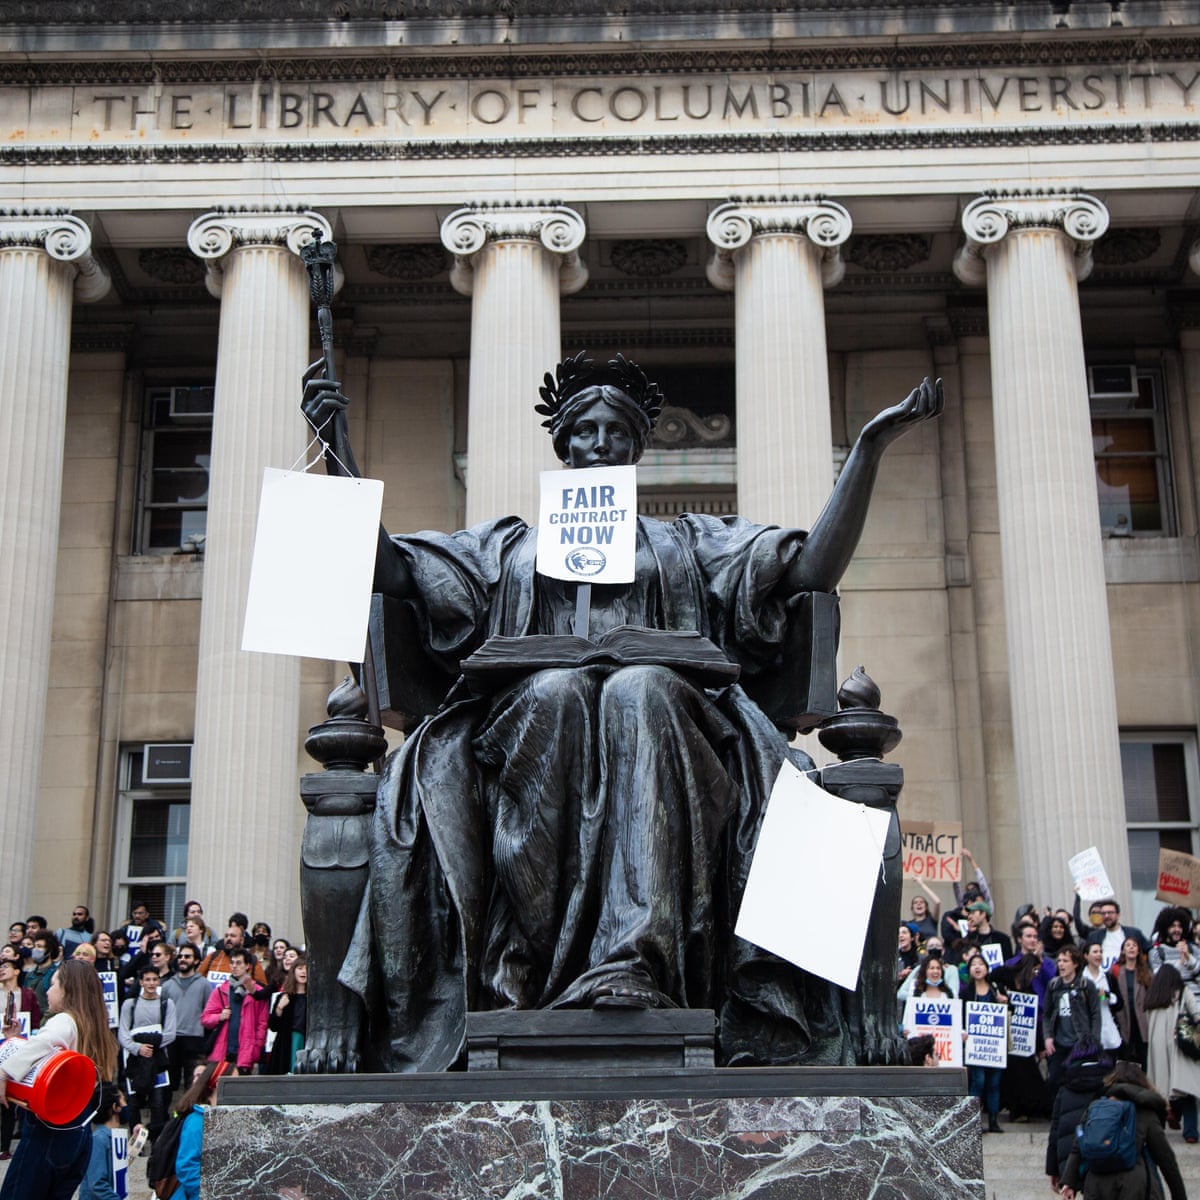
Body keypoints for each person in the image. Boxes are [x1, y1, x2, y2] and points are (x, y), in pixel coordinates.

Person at [302, 351, 942, 1071]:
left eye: (615, 431)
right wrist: (339, 455)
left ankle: (633, 959)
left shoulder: (690, 543)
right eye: (585, 430)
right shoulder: (510, 546)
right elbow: (394, 570)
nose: (600, 442)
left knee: (640, 687)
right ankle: (526, 966)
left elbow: (810, 569)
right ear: (563, 444)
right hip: (529, 719)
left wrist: (867, 452)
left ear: (637, 448)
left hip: (675, 724)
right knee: (558, 691)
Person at [0, 958, 119, 1200]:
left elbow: (44, 1043)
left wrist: (3, 1072)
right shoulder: (95, 1028)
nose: (48, 990)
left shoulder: (65, 1020)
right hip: (79, 1131)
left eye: (53, 985)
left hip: (49, 1130)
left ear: (68, 990)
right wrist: (17, 1039)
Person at [1060, 1060, 1187, 1200]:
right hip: (1133, 1182)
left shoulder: (1096, 1107)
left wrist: (1068, 1182)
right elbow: (1166, 1158)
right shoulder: (1145, 1111)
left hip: (1096, 1182)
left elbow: (1077, 1146)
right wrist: (1179, 1195)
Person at [1045, 1042, 1113, 1194]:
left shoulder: (1064, 1089)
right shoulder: (1110, 1086)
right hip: (1103, 1157)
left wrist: (1053, 1170)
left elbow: (1055, 1131)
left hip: (1069, 1161)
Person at [117, 965, 176, 1141]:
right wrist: (137, 1049)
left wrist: (151, 1046)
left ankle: (156, 1144)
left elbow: (171, 1033)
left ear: (159, 981)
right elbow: (123, 1033)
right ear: (141, 982)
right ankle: (135, 1142)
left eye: (154, 979)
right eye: (147, 980)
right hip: (135, 1060)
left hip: (157, 1059)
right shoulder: (130, 1004)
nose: (151, 983)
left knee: (158, 1103)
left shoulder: (166, 1003)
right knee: (134, 1101)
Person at [1145, 962, 1200, 1144]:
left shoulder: (1152, 997)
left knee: (1163, 1088)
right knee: (1186, 1089)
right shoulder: (1183, 993)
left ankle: (1162, 1125)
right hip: (1180, 1046)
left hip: (1157, 1047)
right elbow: (1197, 1014)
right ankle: (1191, 1132)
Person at [1044, 945, 1102, 1097]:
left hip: (1080, 1042)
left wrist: (1094, 1040)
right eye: (1059, 961)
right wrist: (1048, 1037)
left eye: (1065, 961)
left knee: (1077, 1080)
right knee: (1055, 1080)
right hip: (1059, 1043)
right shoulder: (1054, 985)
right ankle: (1057, 1115)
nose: (1061, 964)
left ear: (1075, 963)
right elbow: (1047, 1014)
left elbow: (1096, 1013)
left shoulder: (1086, 985)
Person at [168, 1060, 231, 1200]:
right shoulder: (198, 1120)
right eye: (235, 1081)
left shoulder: (224, 1118)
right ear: (219, 1083)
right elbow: (187, 1167)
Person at [200, 948, 268, 1073]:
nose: (234, 966)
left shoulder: (258, 992)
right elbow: (205, 1018)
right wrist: (220, 1016)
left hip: (246, 1051)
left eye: (239, 963)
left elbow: (262, 1024)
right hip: (223, 1050)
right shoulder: (220, 991)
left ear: (247, 966)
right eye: (232, 963)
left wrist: (256, 1047)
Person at [962, 955, 1008, 1133]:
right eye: (973, 965)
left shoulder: (996, 989)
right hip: (975, 1046)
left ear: (987, 968)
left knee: (994, 1083)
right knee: (978, 1081)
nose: (977, 967)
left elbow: (1008, 1013)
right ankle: (974, 1120)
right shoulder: (966, 992)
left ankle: (994, 1121)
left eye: (980, 964)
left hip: (995, 1046)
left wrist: (1005, 1002)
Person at [160, 945, 214, 1092]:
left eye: (187, 956)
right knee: (170, 1083)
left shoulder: (204, 984)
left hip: (195, 1038)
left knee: (192, 1084)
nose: (182, 959)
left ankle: (188, 1114)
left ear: (196, 961)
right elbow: (162, 1013)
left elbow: (208, 1011)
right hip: (172, 1038)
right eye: (181, 956)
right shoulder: (167, 985)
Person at [80, 1082, 130, 1200]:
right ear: (115, 1107)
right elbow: (97, 1185)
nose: (126, 1105)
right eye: (123, 1100)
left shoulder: (111, 1136)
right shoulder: (99, 1139)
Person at [1113, 935, 1152, 1069]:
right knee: (1126, 1059)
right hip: (1124, 1019)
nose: (1131, 948)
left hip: (1142, 1020)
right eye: (1128, 945)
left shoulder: (1145, 972)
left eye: (1134, 945)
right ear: (1123, 950)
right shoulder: (1116, 971)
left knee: (1145, 1058)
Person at [265, 956, 307, 1075]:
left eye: (307, 969)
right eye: (300, 968)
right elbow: (273, 1026)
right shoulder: (284, 997)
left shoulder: (314, 1000)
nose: (304, 972)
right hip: (285, 1043)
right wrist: (279, 1008)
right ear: (293, 972)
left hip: (306, 1042)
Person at [1082, 941, 1124, 1054]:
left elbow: (1119, 1003)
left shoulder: (1108, 977)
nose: (1099, 955)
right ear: (1086, 956)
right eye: (1095, 952)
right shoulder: (1080, 978)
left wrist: (1105, 996)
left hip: (1108, 1028)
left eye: (1101, 952)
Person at [1086, 899, 1149, 972]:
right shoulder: (1094, 936)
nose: (1106, 916)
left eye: (1110, 913)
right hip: (1102, 979)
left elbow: (1148, 950)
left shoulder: (1133, 933)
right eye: (1103, 913)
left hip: (1125, 977)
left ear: (1118, 915)